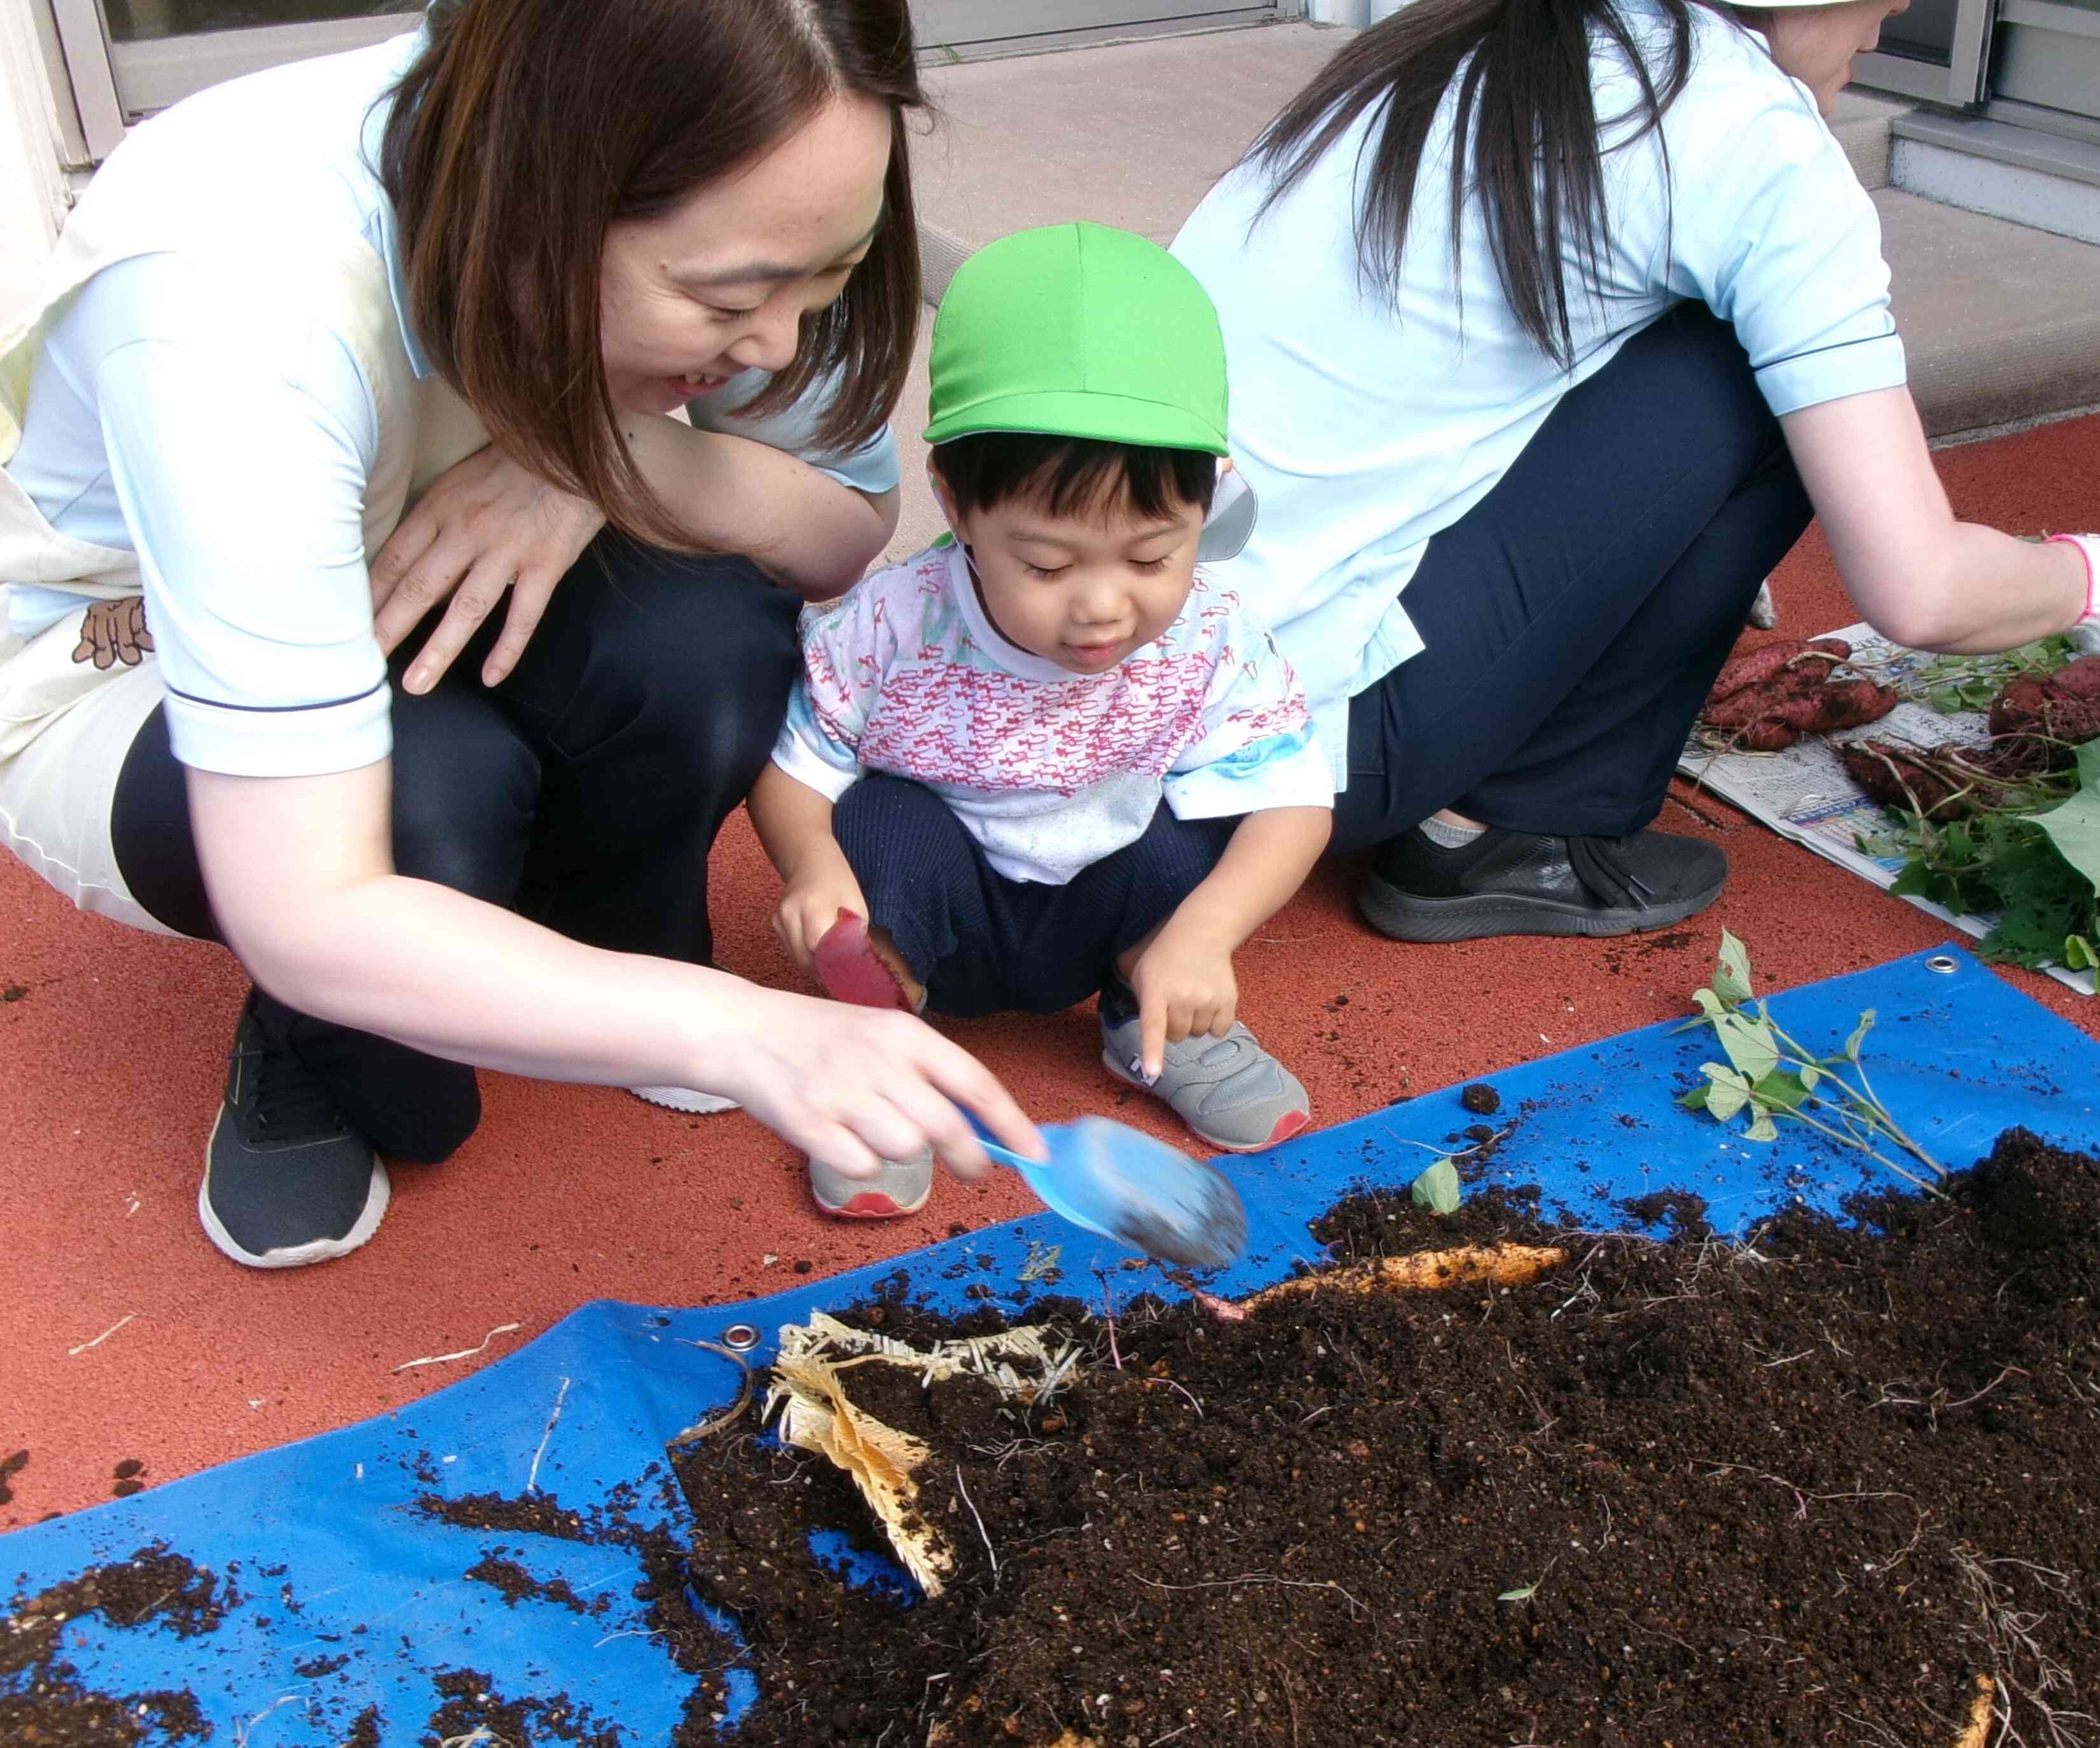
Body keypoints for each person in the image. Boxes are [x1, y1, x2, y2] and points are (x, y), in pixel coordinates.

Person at [0, 0, 1042, 1272]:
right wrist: (740, 1032)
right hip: (134, 659)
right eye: (730, 299)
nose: (776, 341)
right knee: (425, 814)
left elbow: (829, 538)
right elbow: (310, 899)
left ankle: (615, 940)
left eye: (824, 278)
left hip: (421, 549)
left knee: (711, 643)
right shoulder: (231, 301)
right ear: (539, 210)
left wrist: (602, 454)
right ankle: (312, 1038)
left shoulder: (765, 173)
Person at [1170, 0, 2099, 945]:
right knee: (1759, 376)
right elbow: (1923, 595)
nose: (1901, 7)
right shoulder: (1742, 129)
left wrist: (1656, 536)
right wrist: (2087, 572)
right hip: (1286, 764)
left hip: (1115, 678)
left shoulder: (1464, 37)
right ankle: (1511, 835)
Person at [749, 225, 1334, 1218]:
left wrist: (1205, 935)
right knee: (883, 823)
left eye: (1151, 558)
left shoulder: (1215, 636)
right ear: (957, 504)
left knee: (1189, 827)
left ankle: (1153, 1011)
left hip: (1104, 903)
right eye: (1049, 566)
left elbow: (1293, 802)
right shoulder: (891, 625)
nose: (1102, 606)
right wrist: (815, 871)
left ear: (1211, 498)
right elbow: (796, 773)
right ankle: (876, 1053)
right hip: (944, 913)